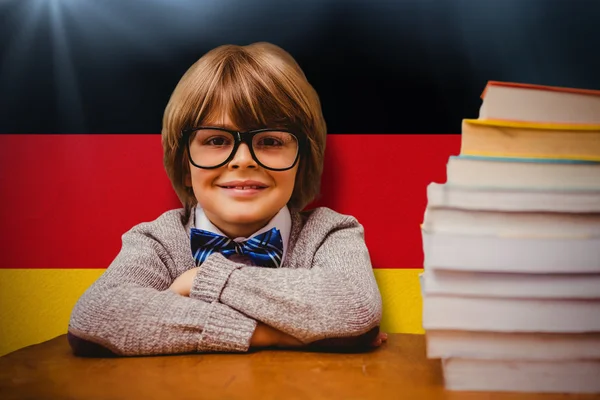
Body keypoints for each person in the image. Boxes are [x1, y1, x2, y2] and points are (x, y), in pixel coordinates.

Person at [67, 42, 385, 357]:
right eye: (217, 140)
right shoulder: (159, 240)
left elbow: (355, 308)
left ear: (303, 159)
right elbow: (96, 317)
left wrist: (203, 280)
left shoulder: (331, 233)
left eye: (271, 140)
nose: (243, 160)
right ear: (183, 160)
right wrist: (271, 334)